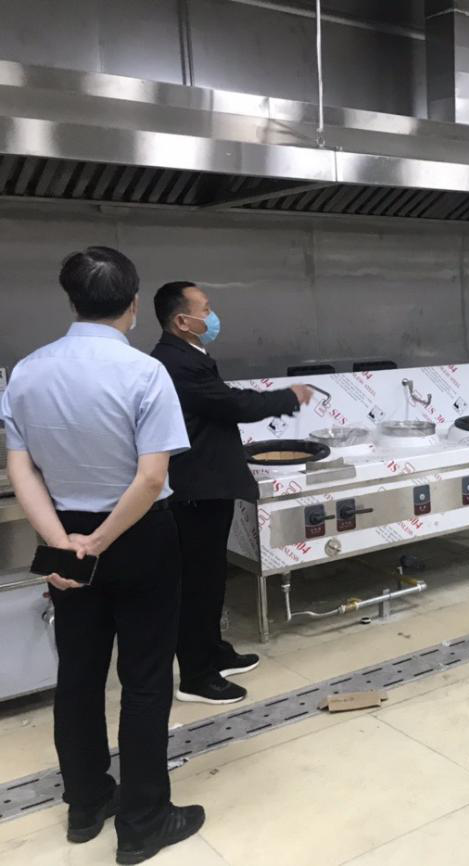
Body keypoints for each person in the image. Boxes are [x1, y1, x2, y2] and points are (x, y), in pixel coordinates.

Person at [1, 247, 204, 864]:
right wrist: (103, 539)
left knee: (79, 675)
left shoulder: (26, 372)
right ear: (134, 304)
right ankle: (143, 822)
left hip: (65, 535)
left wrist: (64, 541)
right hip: (137, 535)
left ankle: (86, 805)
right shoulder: (145, 373)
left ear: (71, 301)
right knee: (144, 680)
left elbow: (20, 466)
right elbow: (151, 478)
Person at [151, 281, 312, 705]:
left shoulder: (190, 354)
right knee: (196, 583)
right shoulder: (174, 362)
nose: (212, 315)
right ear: (182, 320)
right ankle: (196, 676)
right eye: (205, 309)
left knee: (211, 575)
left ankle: (213, 651)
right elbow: (231, 404)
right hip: (194, 488)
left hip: (209, 483)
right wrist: (287, 397)